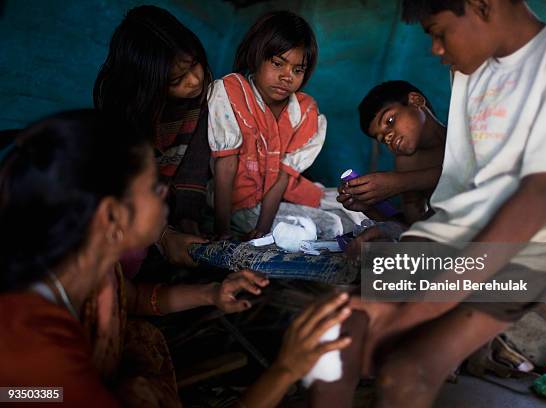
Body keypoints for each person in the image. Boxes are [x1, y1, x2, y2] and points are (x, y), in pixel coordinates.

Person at [324, 0, 546, 406]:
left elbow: (538, 196)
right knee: (338, 331)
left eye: (438, 32)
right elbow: (456, 191)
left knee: (405, 371)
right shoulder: (471, 74)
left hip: (533, 250)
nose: (435, 49)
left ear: (481, 5)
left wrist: (408, 314)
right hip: (453, 236)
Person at [0, 110, 269, 406]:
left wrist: (212, 294)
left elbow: (134, 299)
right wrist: (285, 370)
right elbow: (25, 395)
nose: (164, 191)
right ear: (112, 216)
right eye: (153, 186)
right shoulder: (37, 353)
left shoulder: (90, 271)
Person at [94, 5, 212, 266]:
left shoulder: (204, 105)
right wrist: (164, 236)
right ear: (149, 84)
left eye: (195, 65)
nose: (194, 81)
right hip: (137, 209)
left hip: (171, 207)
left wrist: (187, 220)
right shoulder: (126, 116)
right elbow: (124, 188)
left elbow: (195, 166)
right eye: (176, 79)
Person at [208, 10, 329, 240]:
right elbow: (226, 165)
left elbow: (282, 178)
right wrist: (221, 231)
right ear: (256, 56)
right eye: (277, 63)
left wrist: (262, 229)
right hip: (238, 206)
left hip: (276, 201)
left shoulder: (304, 110)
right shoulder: (231, 92)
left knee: (351, 211)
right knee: (329, 227)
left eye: (297, 70)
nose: (287, 76)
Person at [338, 80, 446, 226]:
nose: (387, 137)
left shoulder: (467, 136)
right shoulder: (407, 162)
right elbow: (413, 226)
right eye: (382, 139)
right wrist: (371, 208)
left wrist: (400, 182)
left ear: (416, 100)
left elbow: (464, 174)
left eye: (389, 121)